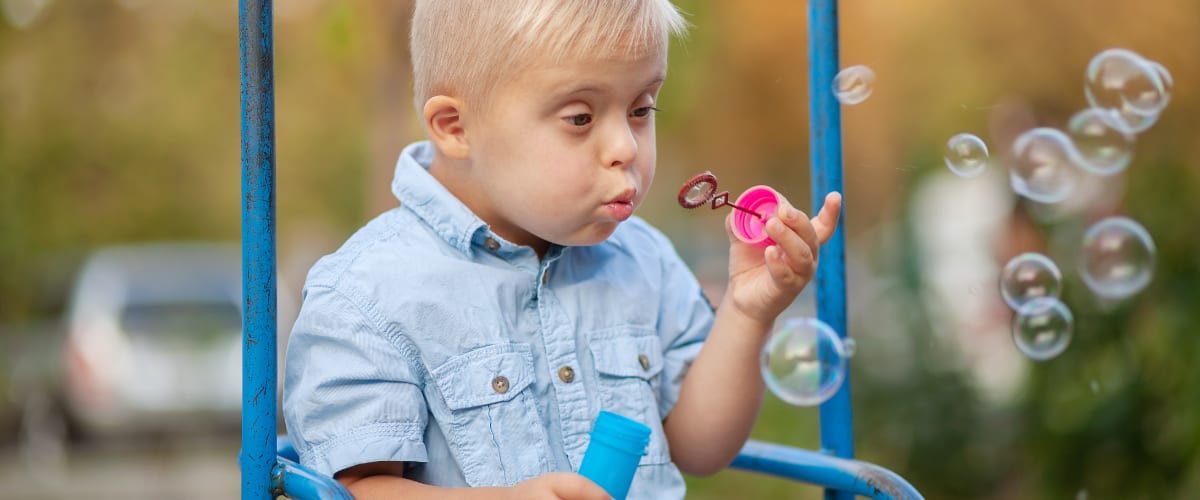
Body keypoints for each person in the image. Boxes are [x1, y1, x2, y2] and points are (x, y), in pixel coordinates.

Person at [282, 1, 843, 499]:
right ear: (455, 127)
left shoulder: (645, 261)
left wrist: (749, 310)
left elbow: (701, 449)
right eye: (580, 117)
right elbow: (352, 489)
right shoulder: (368, 295)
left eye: (642, 109)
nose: (625, 146)